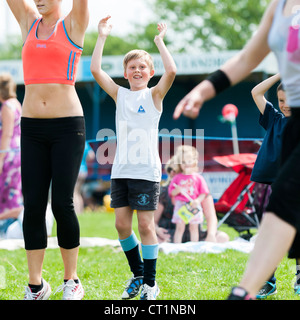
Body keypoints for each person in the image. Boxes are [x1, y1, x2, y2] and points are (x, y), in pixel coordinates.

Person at [173, 0, 300, 300]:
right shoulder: (278, 7)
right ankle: (246, 291)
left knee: (282, 210)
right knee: (280, 211)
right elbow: (247, 57)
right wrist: (204, 89)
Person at [6, 0, 89, 300]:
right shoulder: (29, 22)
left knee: (62, 204)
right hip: (32, 128)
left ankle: (72, 281)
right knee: (34, 206)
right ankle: (36, 286)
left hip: (68, 126)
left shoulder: (73, 24)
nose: (39, 0)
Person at [91, 15, 176, 300]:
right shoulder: (120, 94)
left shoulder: (154, 96)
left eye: (142, 67)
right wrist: (101, 36)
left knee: (145, 226)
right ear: (126, 73)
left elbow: (172, 71)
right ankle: (138, 274)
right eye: (132, 67)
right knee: (121, 226)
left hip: (146, 172)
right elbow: (95, 70)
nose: (137, 70)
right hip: (121, 171)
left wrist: (159, 42)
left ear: (150, 72)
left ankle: (151, 284)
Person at [250, 73, 297, 298]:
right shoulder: (274, 119)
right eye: (281, 100)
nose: (285, 105)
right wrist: (281, 72)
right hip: (276, 186)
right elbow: (256, 92)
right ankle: (268, 281)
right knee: (271, 234)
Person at [155, 154, 229, 244]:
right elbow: (152, 221)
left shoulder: (197, 188)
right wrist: (158, 230)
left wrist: (211, 234)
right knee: (152, 241)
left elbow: (211, 217)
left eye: (175, 171)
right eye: (171, 170)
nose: (173, 173)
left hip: (195, 233)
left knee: (223, 237)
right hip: (170, 234)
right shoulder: (163, 191)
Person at [0, 72, 23, 238]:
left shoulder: (7, 106)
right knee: (15, 190)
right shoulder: (16, 103)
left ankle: (7, 227)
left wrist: (1, 158)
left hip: (8, 153)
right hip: (18, 151)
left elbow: (6, 134)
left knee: (8, 191)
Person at [168, 146, 207, 243]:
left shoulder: (198, 178)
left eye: (189, 161)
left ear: (194, 161)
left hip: (193, 205)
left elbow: (203, 193)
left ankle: (194, 246)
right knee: (179, 227)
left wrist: (197, 201)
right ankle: (177, 246)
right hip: (180, 205)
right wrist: (176, 191)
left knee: (194, 227)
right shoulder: (177, 178)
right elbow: (171, 193)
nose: (186, 164)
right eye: (183, 162)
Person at [73, 142, 95, 214]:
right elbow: (92, 156)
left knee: (74, 193)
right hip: (84, 171)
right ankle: (80, 211)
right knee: (78, 193)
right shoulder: (85, 143)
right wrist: (83, 160)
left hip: (75, 170)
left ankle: (77, 212)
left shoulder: (73, 141)